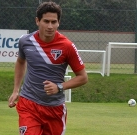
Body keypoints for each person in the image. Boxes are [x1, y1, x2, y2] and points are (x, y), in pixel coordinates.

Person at [8, 1, 88, 135]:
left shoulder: (67, 46)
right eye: (46, 21)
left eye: (54, 22)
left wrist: (59, 87)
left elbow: (83, 77)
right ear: (37, 21)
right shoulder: (25, 41)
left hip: (54, 108)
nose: (50, 26)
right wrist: (16, 90)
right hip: (29, 104)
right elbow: (21, 62)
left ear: (58, 23)